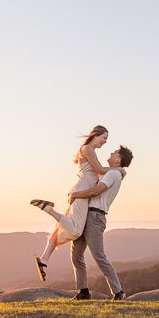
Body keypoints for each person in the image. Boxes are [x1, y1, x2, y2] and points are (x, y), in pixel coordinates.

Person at [30, 125, 113, 281]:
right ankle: (49, 210)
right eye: (104, 138)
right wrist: (118, 169)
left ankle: (44, 260)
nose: (105, 142)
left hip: (81, 191)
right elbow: (100, 170)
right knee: (75, 231)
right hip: (82, 192)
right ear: (96, 134)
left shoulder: (87, 150)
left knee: (62, 227)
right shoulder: (88, 149)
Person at [67, 145, 133, 301]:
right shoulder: (112, 173)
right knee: (76, 254)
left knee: (99, 256)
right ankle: (84, 292)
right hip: (87, 214)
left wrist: (76, 195)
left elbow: (96, 191)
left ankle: (118, 292)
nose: (111, 153)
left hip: (95, 217)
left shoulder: (112, 174)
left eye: (114, 152)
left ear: (118, 160)